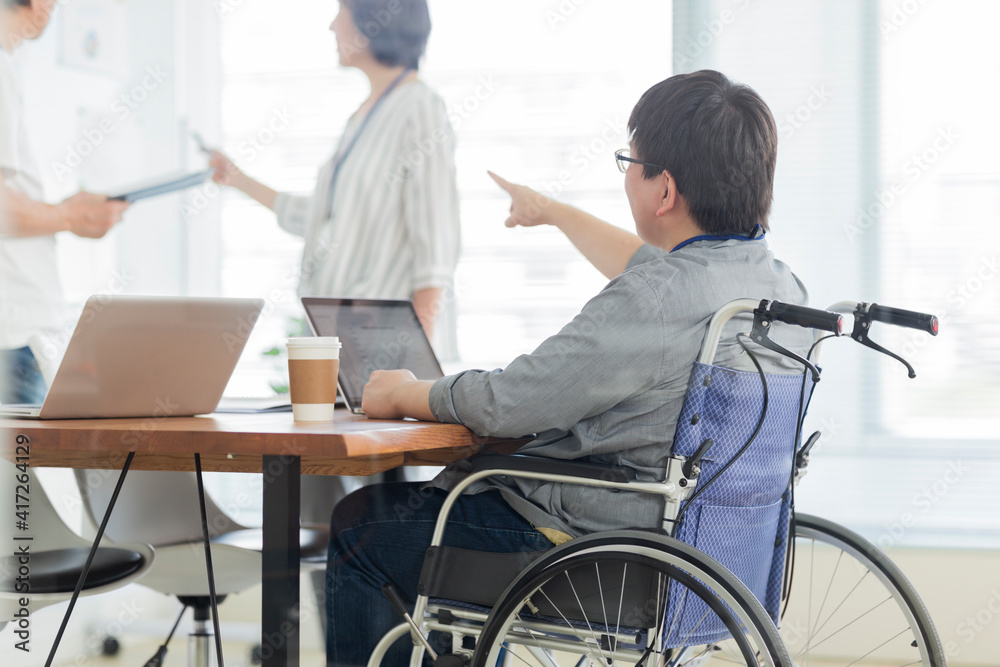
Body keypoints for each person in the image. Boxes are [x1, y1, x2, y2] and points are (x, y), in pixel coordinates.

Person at [324, 70, 815, 666]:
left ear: (663, 191)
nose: (626, 176)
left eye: (629, 163)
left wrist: (405, 393)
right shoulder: (781, 290)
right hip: (715, 556)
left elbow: (512, 401)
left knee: (362, 527)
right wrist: (554, 212)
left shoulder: (654, 299)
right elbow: (656, 272)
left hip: (602, 551)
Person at [207, 0, 460, 629]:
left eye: (341, 13)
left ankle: (393, 648)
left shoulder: (419, 107)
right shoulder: (360, 117)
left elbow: (435, 243)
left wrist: (415, 363)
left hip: (387, 346)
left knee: (384, 521)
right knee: (322, 508)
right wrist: (238, 181)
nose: (330, 27)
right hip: (335, 342)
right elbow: (317, 216)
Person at [0, 0, 129, 404]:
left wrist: (64, 212)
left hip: (14, 331)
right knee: (24, 467)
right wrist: (72, 216)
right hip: (11, 332)